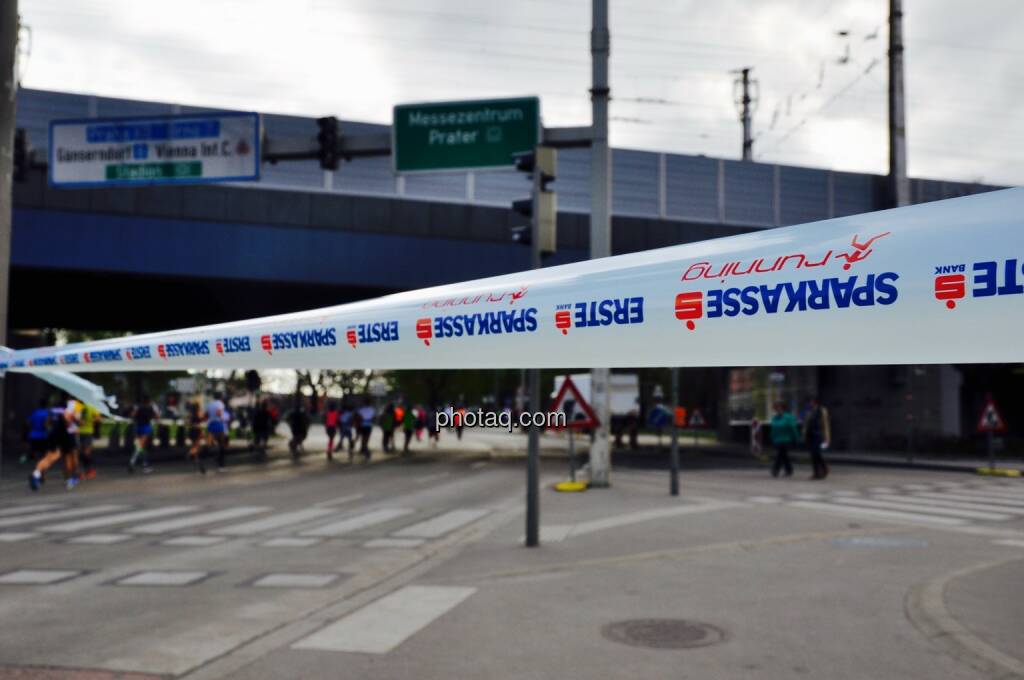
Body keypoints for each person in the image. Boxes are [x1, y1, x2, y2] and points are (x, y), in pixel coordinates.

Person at [28, 398, 78, 492]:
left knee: (49, 457)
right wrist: (74, 420)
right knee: (67, 457)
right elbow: (68, 421)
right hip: (65, 436)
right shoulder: (66, 411)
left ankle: (36, 474)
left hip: (52, 435)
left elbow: (47, 423)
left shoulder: (52, 411)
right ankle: (69, 480)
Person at [803, 396, 832, 480]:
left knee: (816, 453)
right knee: (813, 455)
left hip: (818, 435)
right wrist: (804, 434)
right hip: (810, 435)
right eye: (810, 402)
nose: (810, 403)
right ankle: (816, 473)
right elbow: (806, 424)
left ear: (816, 402)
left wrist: (827, 437)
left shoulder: (822, 411)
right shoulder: (809, 411)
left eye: (811, 401)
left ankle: (823, 468)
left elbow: (825, 425)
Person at [129, 395, 159, 474]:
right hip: (146, 427)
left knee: (142, 447)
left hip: (138, 427)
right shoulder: (150, 408)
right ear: (149, 401)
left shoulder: (138, 407)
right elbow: (157, 417)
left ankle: (145, 465)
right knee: (140, 446)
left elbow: (132, 415)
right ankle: (132, 461)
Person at [768, 402, 799, 478]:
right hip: (777, 440)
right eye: (776, 409)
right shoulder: (775, 418)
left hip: (786, 440)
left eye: (778, 408)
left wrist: (796, 438)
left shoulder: (788, 418)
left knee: (780, 455)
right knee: (784, 456)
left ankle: (775, 469)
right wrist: (772, 438)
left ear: (783, 409)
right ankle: (789, 470)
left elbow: (793, 428)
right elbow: (773, 430)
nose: (777, 410)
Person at [77, 400, 101, 480]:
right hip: (88, 432)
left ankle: (81, 473)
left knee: (80, 453)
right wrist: (90, 421)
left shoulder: (78, 407)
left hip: (79, 432)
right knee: (86, 453)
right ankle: (89, 470)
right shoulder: (91, 407)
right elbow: (98, 418)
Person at [205, 392, 229, 471]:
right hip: (218, 424)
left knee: (209, 444)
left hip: (211, 424)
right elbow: (218, 413)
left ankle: (209, 458)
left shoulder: (210, 404)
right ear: (221, 397)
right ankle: (221, 465)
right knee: (222, 444)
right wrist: (223, 418)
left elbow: (207, 414)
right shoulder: (220, 404)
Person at [24, 398, 51, 467]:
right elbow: (46, 425)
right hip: (43, 436)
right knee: (43, 455)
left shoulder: (35, 412)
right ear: (47, 405)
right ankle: (39, 471)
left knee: (35, 453)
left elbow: (27, 422)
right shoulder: (46, 413)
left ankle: (36, 469)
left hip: (33, 435)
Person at [185, 401, 207, 474]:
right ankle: (189, 454)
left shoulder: (190, 414)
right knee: (197, 447)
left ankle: (197, 462)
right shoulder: (199, 412)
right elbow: (203, 418)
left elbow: (187, 422)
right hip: (197, 430)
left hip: (191, 431)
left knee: (194, 445)